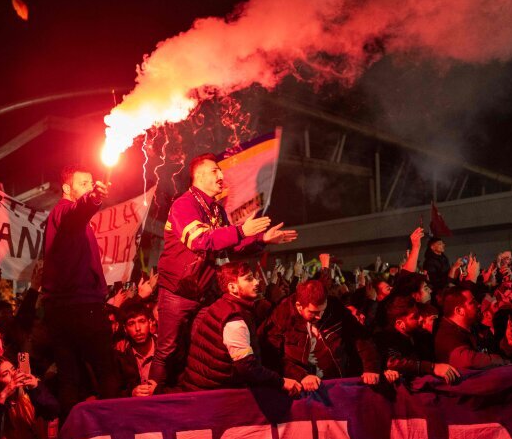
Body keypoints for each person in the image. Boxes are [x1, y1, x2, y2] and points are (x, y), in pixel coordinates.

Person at [150, 153, 297, 389]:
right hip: (178, 291)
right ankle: (151, 397)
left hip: (205, 291)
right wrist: (241, 230)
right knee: (167, 349)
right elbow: (199, 240)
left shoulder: (216, 211)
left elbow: (231, 245)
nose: (221, 175)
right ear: (198, 176)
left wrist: (262, 239)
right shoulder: (184, 204)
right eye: (215, 171)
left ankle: (195, 393)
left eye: (220, 171)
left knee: (201, 348)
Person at [41, 167, 121, 415]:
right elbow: (78, 210)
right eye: (83, 183)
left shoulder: (71, 220)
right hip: (81, 305)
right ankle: (113, 426)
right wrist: (93, 198)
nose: (89, 185)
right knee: (105, 370)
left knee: (70, 377)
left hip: (60, 309)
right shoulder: (65, 210)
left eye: (91, 182)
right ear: (67, 189)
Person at [179, 262, 301, 395]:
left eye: (254, 277)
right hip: (213, 395)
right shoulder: (234, 320)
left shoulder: (224, 305)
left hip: (204, 389)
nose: (256, 282)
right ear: (232, 287)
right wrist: (281, 382)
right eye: (249, 279)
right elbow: (247, 367)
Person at [259, 279, 380, 392]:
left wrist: (371, 367)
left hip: (339, 382)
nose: (319, 316)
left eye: (323, 310)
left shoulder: (334, 307)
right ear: (299, 306)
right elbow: (274, 357)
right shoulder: (281, 316)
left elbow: (361, 336)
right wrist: (301, 376)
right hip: (302, 389)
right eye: (314, 312)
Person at [435, 286, 512, 372]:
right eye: (472, 302)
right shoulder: (447, 337)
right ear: (459, 311)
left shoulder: (474, 327)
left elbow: (494, 350)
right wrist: (503, 361)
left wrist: (509, 343)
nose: (478, 304)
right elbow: (470, 361)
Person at [376, 297, 459, 383]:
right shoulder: (387, 338)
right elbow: (394, 362)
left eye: (419, 314)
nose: (421, 318)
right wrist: (433, 367)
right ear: (400, 324)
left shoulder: (418, 334)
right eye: (415, 317)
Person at [114, 299, 158, 397]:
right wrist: (131, 394)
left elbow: (180, 386)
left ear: (150, 323)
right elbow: (114, 393)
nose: (137, 328)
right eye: (131, 323)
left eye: (142, 321)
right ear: (125, 329)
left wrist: (159, 391)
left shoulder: (164, 350)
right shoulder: (121, 355)